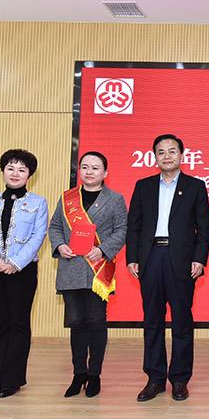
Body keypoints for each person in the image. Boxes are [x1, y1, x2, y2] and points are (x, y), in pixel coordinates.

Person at [126, 134, 209, 402]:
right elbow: (134, 226)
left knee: (182, 320)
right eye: (161, 152)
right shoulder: (143, 186)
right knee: (152, 320)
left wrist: (199, 259)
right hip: (151, 257)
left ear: (181, 156)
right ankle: (155, 378)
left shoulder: (195, 186)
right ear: (155, 157)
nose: (167, 156)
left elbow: (203, 229)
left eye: (172, 151)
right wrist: (132, 257)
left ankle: (180, 379)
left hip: (181, 260)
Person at [48, 151, 128, 398]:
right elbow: (55, 227)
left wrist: (102, 249)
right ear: (79, 170)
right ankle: (78, 373)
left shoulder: (115, 199)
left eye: (95, 168)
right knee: (76, 323)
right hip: (71, 268)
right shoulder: (67, 198)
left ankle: (94, 375)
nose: (89, 171)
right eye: (85, 167)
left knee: (96, 321)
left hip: (98, 269)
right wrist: (60, 245)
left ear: (105, 173)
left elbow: (122, 230)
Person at [0, 149, 48, 399]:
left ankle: (12, 380)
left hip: (22, 271)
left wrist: (15, 263)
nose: (15, 173)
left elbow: (38, 236)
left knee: (18, 323)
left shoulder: (38, 203)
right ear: (3, 171)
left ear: (29, 175)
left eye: (21, 170)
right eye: (11, 168)